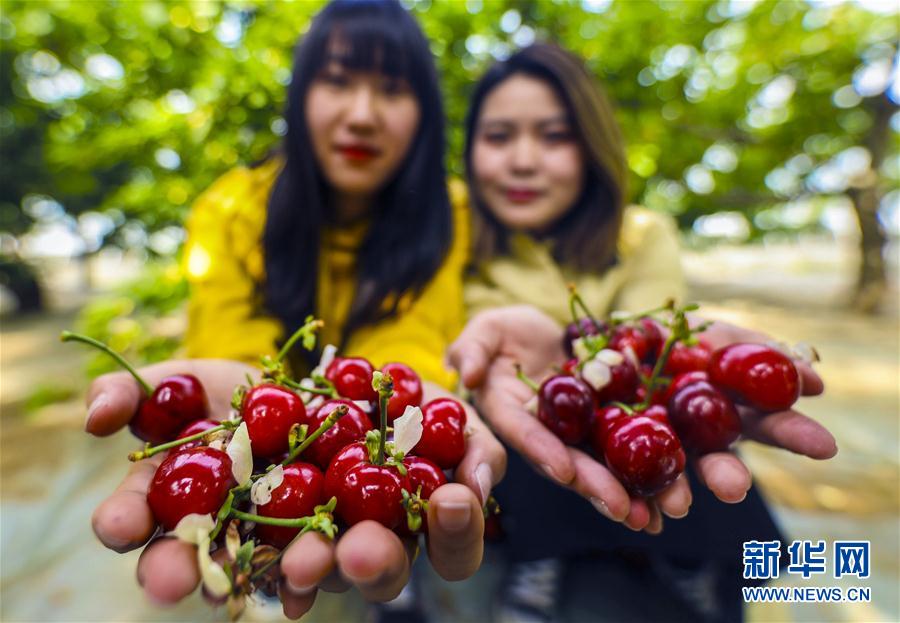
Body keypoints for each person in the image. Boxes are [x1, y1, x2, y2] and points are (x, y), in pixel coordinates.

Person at [83, 1, 505, 619]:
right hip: (282, 443)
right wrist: (246, 418)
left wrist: (402, 416)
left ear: (425, 114)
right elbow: (231, 345)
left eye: (392, 90)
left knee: (371, 549)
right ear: (302, 95)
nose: (361, 115)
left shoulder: (454, 216)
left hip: (357, 459)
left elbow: (409, 341)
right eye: (337, 81)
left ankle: (386, 575)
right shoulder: (232, 209)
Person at [446, 43, 836, 622]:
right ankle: (542, 566)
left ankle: (700, 566)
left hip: (623, 413)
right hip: (523, 427)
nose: (523, 160)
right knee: (535, 423)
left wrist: (639, 355)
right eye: (499, 136)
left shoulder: (640, 235)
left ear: (592, 147)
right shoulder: (452, 231)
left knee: (686, 416)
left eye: (554, 136)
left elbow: (652, 338)